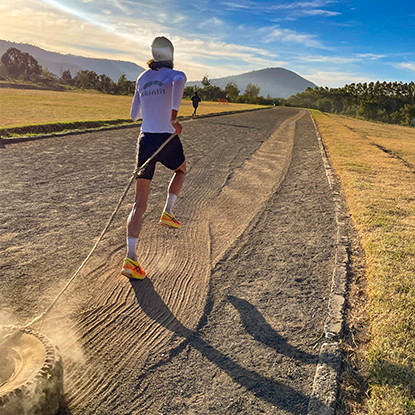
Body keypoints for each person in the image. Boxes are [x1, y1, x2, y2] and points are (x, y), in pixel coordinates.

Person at [121, 36, 187, 280]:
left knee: (139, 202)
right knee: (180, 170)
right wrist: (173, 119)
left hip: (145, 139)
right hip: (166, 138)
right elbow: (179, 80)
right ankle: (168, 212)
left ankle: (131, 259)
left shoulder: (141, 77)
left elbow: (132, 115)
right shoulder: (176, 74)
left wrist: (152, 108)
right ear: (170, 54)